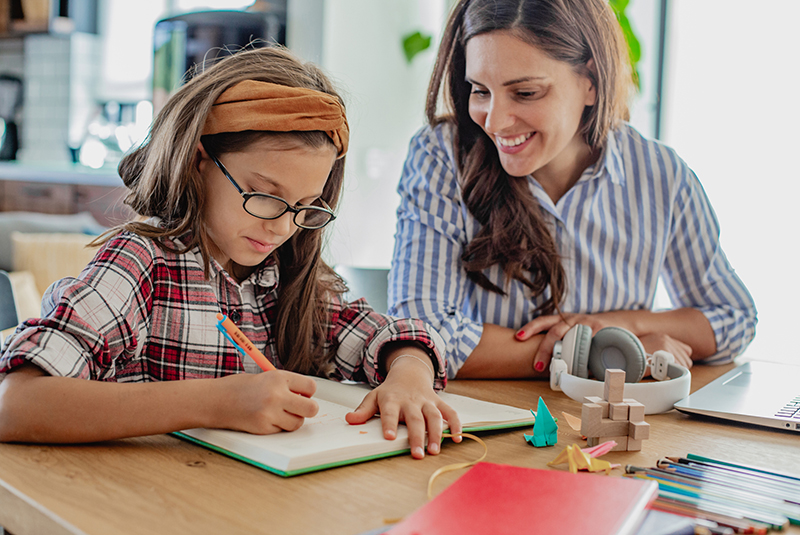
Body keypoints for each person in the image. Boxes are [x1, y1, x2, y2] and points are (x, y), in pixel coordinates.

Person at [0, 46, 461, 459]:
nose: (281, 227)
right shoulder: (143, 263)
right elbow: (16, 403)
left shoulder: (284, 277)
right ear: (200, 159)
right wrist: (216, 402)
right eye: (263, 194)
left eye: (304, 206)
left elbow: (392, 334)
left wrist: (409, 375)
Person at [388, 0, 757, 380]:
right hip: (483, 421)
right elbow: (419, 334)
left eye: (526, 93)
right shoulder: (443, 154)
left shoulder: (660, 173)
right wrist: (598, 350)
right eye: (480, 91)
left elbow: (733, 318)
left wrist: (619, 325)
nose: (495, 121)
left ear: (591, 83)